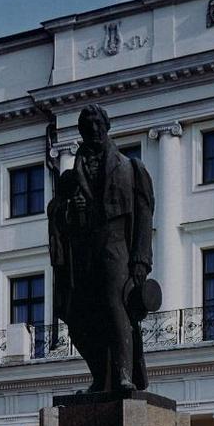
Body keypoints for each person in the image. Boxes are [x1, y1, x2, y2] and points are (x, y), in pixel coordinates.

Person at [48, 104, 156, 392]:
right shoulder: (69, 178)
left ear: (107, 127)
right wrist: (70, 209)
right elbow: (56, 213)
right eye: (87, 125)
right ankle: (100, 376)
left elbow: (144, 217)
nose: (93, 129)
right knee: (80, 319)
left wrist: (141, 261)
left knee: (115, 308)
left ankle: (123, 375)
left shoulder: (131, 168)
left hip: (116, 246)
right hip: (83, 253)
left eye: (98, 124)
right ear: (81, 131)